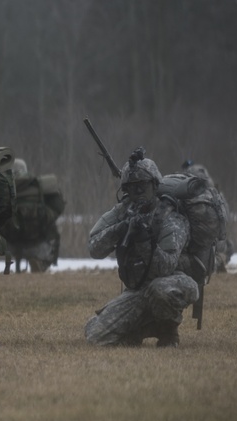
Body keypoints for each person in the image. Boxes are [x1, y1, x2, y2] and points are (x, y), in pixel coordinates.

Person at [85, 148, 200, 347]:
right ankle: (140, 329)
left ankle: (168, 332)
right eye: (131, 187)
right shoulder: (123, 212)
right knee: (95, 334)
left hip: (173, 282)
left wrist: (144, 240)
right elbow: (95, 249)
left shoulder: (171, 218)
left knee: (160, 290)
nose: (137, 192)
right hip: (137, 290)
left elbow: (166, 267)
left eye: (142, 185)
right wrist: (122, 228)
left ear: (155, 185)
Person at [0, 158, 64, 273]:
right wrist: (46, 218)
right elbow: (58, 206)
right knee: (52, 228)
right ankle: (40, 262)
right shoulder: (38, 185)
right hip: (36, 241)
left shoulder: (0, 187)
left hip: (7, 244)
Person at [181, 160, 234, 272]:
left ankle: (217, 261)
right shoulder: (215, 191)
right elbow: (226, 216)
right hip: (217, 239)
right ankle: (219, 259)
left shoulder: (189, 186)